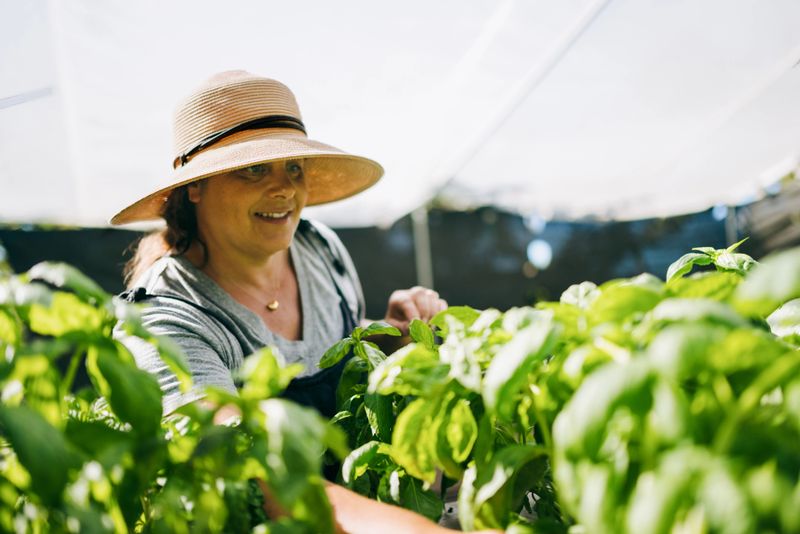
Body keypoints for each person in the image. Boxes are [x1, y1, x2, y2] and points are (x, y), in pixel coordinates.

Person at [111, 70, 481, 533]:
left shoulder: (318, 249)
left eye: (294, 167)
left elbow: (338, 360)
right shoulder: (163, 320)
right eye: (254, 169)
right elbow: (248, 475)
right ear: (196, 187)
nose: (285, 190)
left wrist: (388, 342)